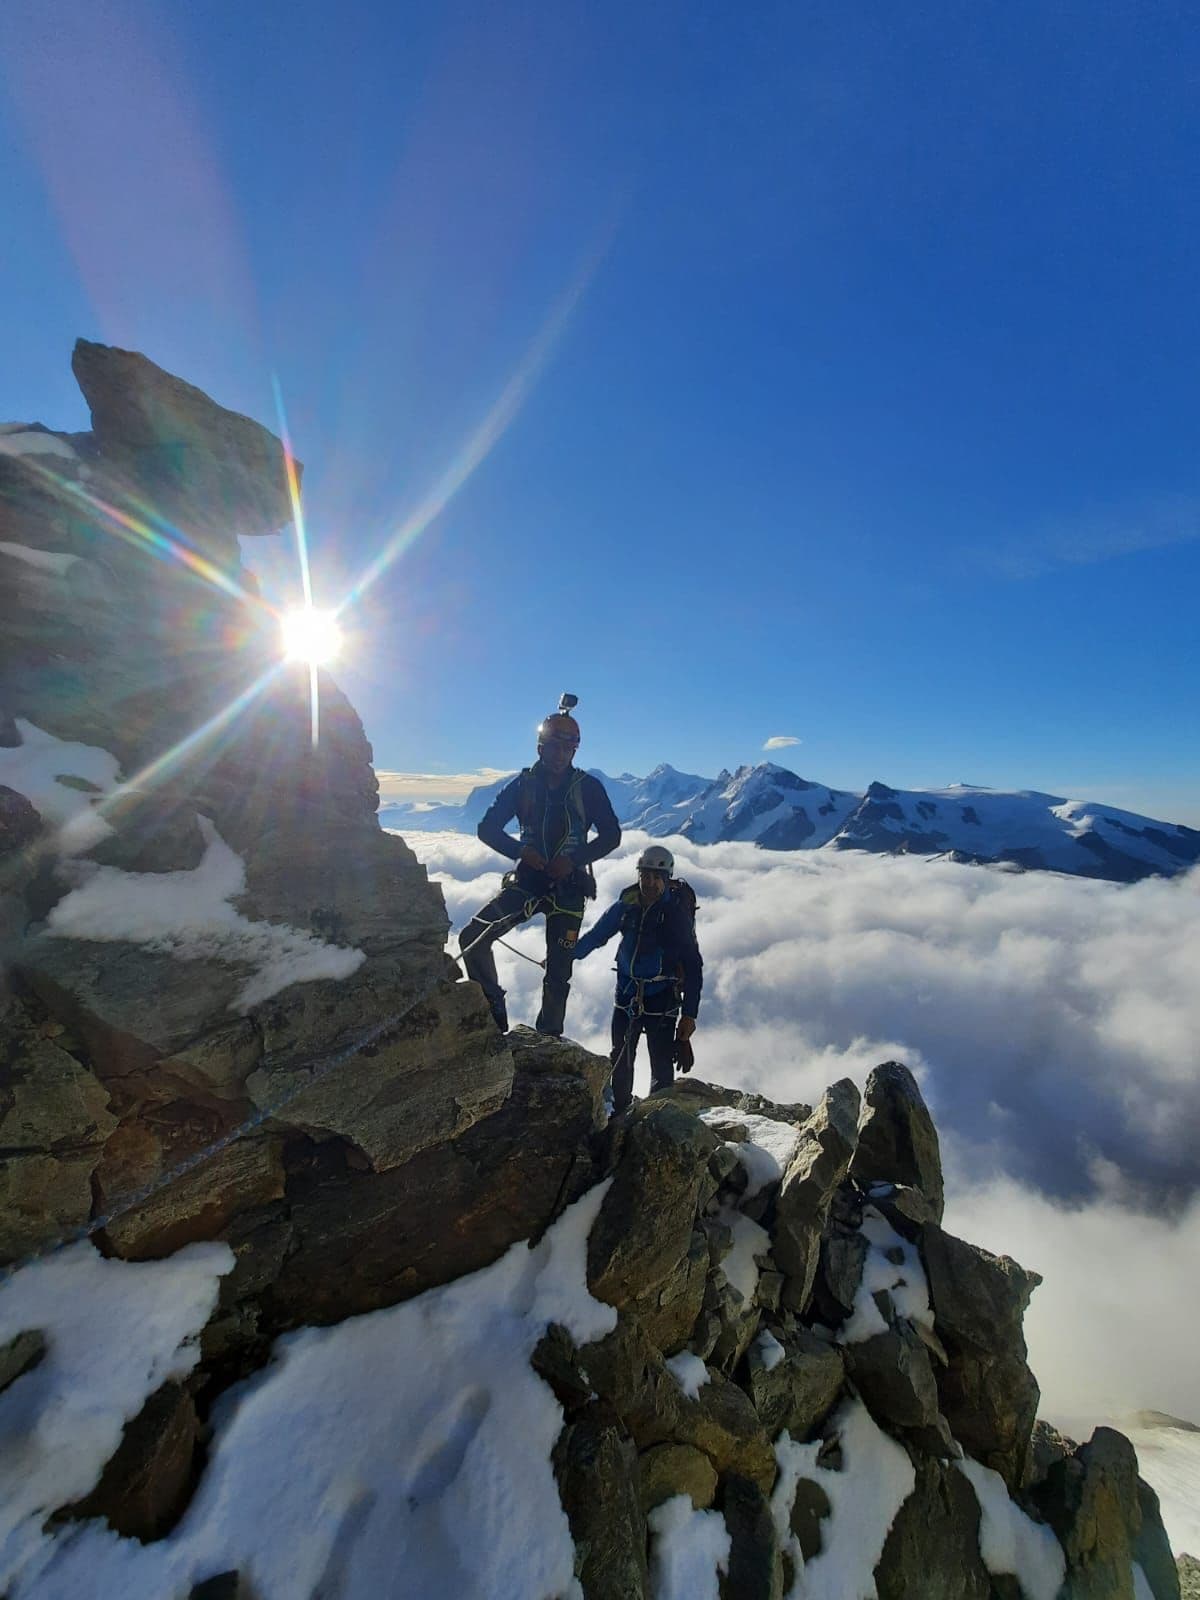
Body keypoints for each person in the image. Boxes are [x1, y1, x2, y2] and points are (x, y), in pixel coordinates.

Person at [460, 697, 621, 1035]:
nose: (561, 754)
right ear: (540, 748)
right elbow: (486, 829)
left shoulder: (586, 788)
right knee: (472, 937)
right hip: (531, 882)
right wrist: (524, 852)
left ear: (574, 751)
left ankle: (547, 1040)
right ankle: (493, 1016)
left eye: (568, 748)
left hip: (567, 888)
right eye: (554, 746)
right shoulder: (523, 786)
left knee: (559, 972)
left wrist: (571, 861)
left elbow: (612, 836)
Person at [572, 843, 702, 1114]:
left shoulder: (675, 916)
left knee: (661, 1067)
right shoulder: (626, 906)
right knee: (621, 1060)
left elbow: (693, 965)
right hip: (627, 995)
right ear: (638, 875)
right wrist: (565, 957)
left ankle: (656, 1121)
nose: (650, 882)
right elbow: (597, 936)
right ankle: (620, 1114)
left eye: (656, 877)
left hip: (661, 998)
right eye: (645, 875)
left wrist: (689, 1015)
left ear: (666, 879)